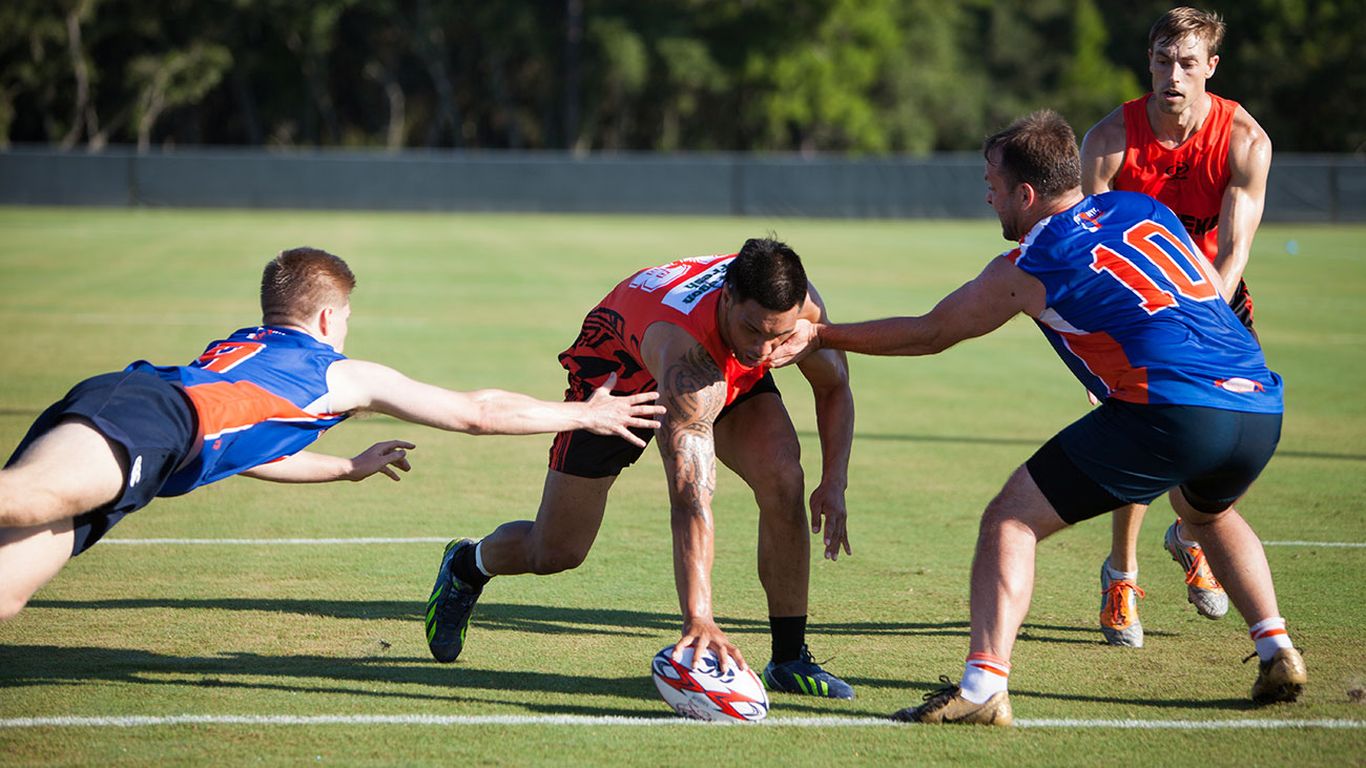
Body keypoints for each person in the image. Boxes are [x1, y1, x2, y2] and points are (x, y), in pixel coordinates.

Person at [772, 111, 1305, 725]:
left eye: (993, 183)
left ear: (1027, 194)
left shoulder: (1033, 262)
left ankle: (981, 689)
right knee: (1206, 513)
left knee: (1009, 520)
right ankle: (1276, 649)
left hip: (1175, 408)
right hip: (1259, 402)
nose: (987, 193)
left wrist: (821, 334)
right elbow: (1202, 296)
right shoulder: (1145, 209)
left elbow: (931, 332)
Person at [0, 247, 664, 621]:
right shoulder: (335, 373)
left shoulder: (243, 349)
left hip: (141, 417)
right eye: (344, 320)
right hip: (153, 419)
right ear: (326, 318)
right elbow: (476, 412)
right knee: (26, 498)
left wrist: (344, 469)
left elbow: (237, 455)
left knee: (9, 588)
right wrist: (586, 414)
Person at [424, 237, 858, 700]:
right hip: (617, 375)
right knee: (556, 550)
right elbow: (690, 495)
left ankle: (789, 657)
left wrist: (834, 480)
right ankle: (468, 565)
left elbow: (834, 387)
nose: (765, 348)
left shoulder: (797, 311)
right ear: (728, 299)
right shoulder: (685, 361)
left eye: (778, 335)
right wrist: (699, 618)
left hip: (712, 356)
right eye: (755, 330)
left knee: (784, 476)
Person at [1080, 6, 1272, 647]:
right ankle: (1122, 577)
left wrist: (1193, 328)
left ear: (1211, 68)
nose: (1173, 74)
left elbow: (1232, 255)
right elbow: (1088, 256)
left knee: (1226, 446)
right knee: (1136, 443)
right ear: (1149, 63)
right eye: (1163, 59)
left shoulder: (1245, 141)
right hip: (1131, 315)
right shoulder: (1109, 142)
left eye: (1188, 62)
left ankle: (1190, 535)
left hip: (1216, 308)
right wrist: (1096, 355)